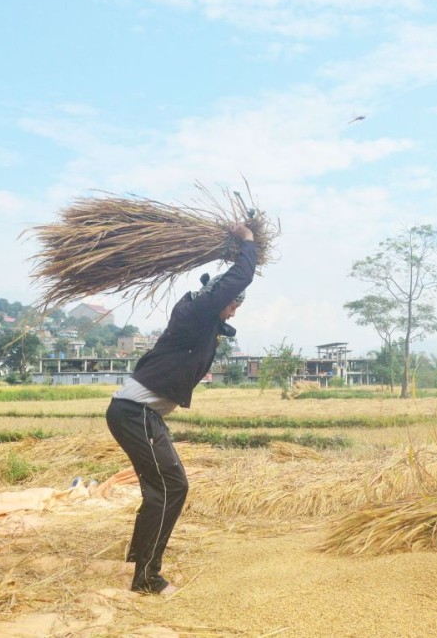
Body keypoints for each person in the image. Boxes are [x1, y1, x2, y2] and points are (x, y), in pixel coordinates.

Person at [106, 222, 257, 596]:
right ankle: (146, 578)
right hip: (134, 412)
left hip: (139, 413)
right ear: (217, 296)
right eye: (233, 303)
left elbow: (226, 303)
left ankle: (139, 557)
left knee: (160, 487)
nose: (234, 312)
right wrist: (248, 244)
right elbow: (240, 277)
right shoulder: (198, 311)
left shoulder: (201, 318)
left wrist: (225, 312)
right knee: (172, 486)